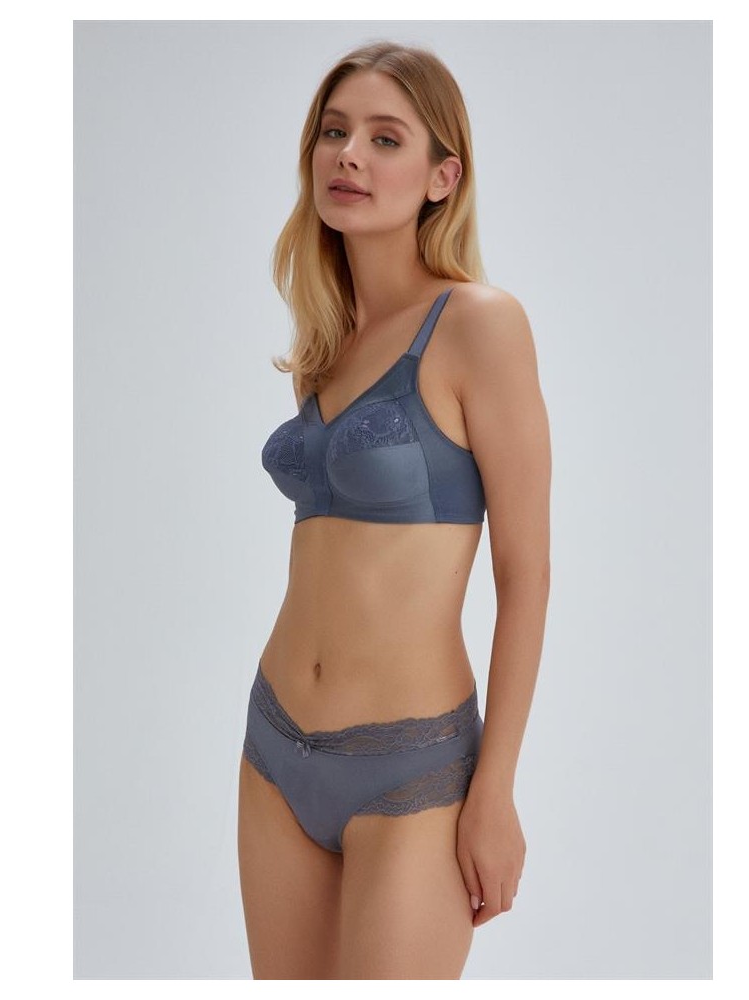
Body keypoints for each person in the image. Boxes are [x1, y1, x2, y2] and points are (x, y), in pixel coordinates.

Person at [237, 40, 551, 980]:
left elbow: (525, 572)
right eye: (334, 132)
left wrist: (495, 789)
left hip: (413, 769)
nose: (349, 155)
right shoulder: (326, 343)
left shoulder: (480, 323)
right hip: (274, 748)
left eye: (385, 138)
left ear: (442, 177)